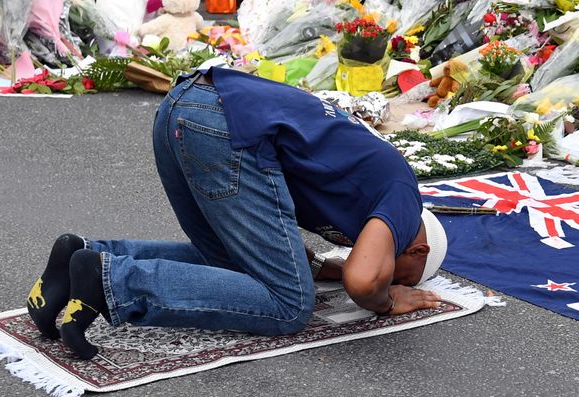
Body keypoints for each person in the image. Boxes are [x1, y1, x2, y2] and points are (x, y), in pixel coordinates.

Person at [25, 68, 448, 359]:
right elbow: (363, 280)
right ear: (417, 248)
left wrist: (322, 268)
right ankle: (111, 281)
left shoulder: (369, 199)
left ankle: (82, 256)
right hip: (223, 127)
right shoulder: (404, 197)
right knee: (289, 305)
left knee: (232, 266)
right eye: (398, 272)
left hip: (186, 105)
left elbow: (282, 243)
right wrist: (388, 298)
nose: (386, 273)